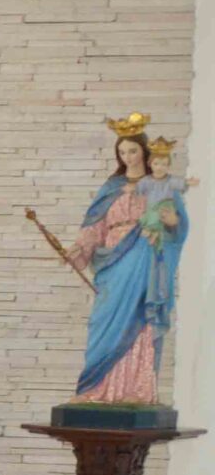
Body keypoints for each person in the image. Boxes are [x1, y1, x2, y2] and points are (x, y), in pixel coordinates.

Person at [68, 127, 187, 402]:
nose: (128, 157)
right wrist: (80, 250)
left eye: (133, 150)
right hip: (112, 260)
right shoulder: (111, 187)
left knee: (139, 320)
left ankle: (136, 391)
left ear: (145, 152)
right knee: (104, 320)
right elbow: (95, 226)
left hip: (144, 255)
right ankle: (94, 388)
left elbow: (178, 227)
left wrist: (171, 222)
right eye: (123, 152)